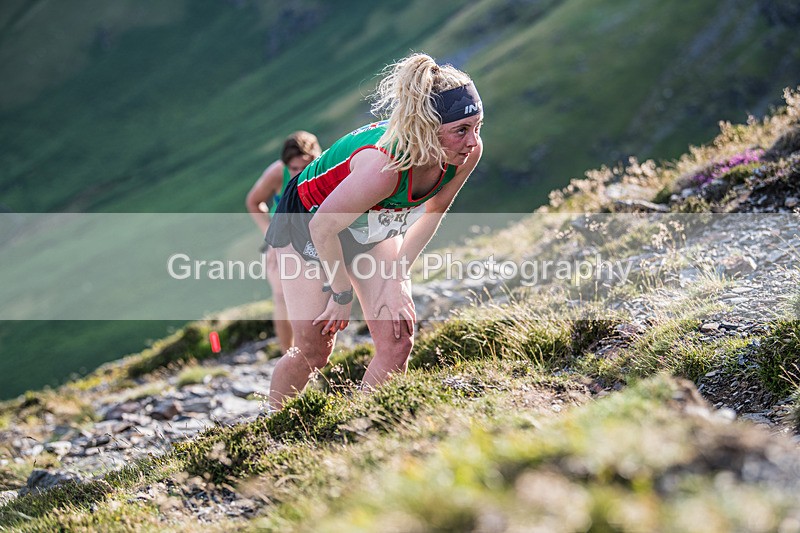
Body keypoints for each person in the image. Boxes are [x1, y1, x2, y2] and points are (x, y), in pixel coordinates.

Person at [265, 53, 483, 409]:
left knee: (397, 340)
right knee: (313, 351)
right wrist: (341, 294)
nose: (473, 141)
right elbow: (323, 228)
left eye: (477, 126)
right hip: (309, 222)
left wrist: (397, 276)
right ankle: (270, 427)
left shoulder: (465, 153)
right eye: (461, 130)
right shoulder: (384, 166)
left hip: (370, 224)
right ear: (428, 129)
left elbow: (434, 210)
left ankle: (363, 425)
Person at [246, 131, 322, 354]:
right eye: (293, 168)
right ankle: (288, 354)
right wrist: (271, 237)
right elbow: (253, 202)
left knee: (318, 294)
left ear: (315, 157)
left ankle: (315, 350)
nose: (299, 173)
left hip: (313, 239)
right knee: (281, 297)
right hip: (282, 241)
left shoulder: (325, 167)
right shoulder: (277, 173)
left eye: (304, 167)